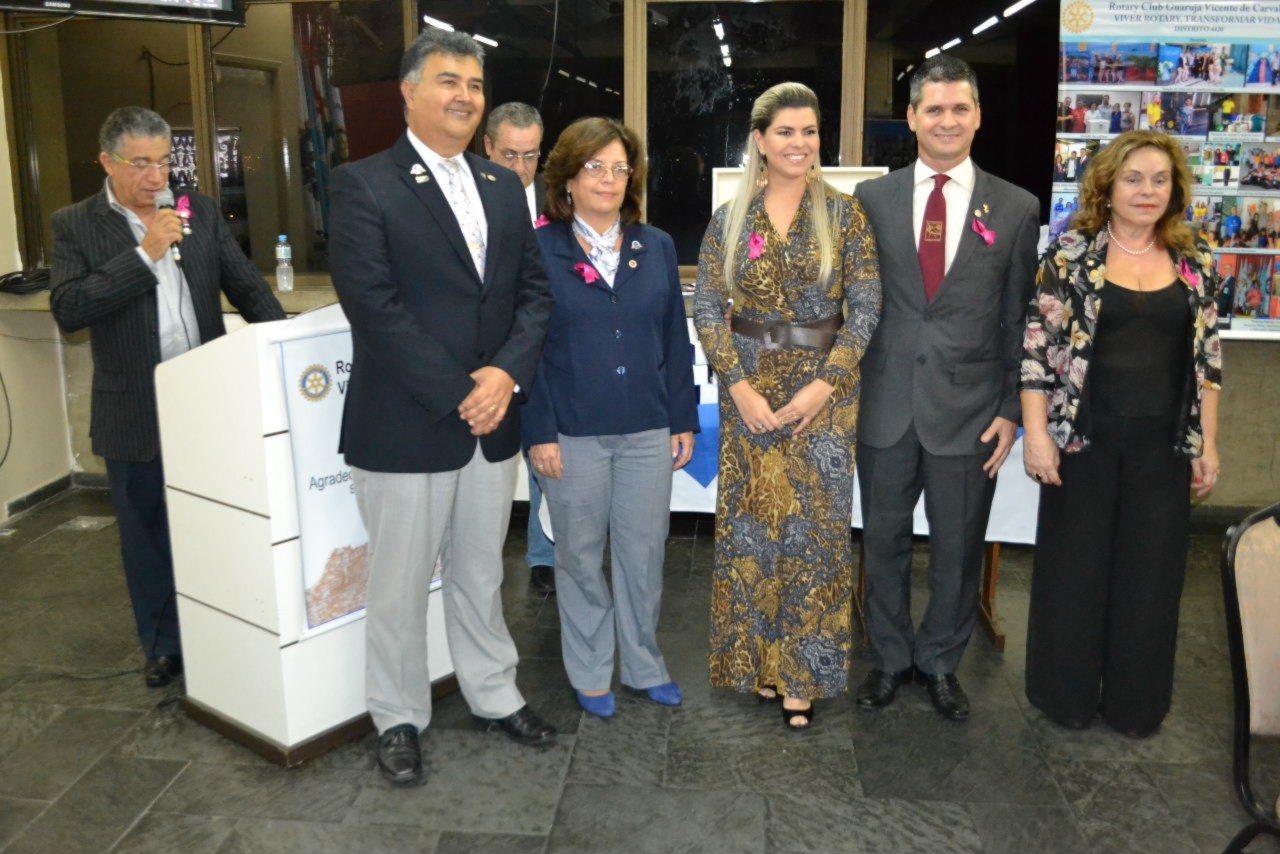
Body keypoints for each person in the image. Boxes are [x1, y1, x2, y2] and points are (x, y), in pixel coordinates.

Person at [328, 30, 555, 787]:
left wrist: (505, 376)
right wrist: (464, 392)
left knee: (481, 573)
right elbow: (375, 308)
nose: (464, 95)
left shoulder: (502, 186)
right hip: (407, 423)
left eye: (475, 84)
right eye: (448, 80)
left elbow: (533, 294)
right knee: (397, 586)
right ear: (408, 91)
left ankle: (493, 693)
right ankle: (396, 716)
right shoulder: (363, 185)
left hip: (492, 425)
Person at [49, 107, 285, 689]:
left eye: (163, 162)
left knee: (220, 522)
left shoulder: (195, 210)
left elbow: (245, 283)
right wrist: (144, 254)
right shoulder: (75, 224)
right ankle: (163, 644)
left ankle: (226, 625)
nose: (157, 178)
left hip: (207, 401)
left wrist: (283, 342)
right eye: (141, 164)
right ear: (107, 162)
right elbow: (70, 309)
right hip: (134, 407)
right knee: (148, 532)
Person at [853, 56, 1039, 722]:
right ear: (911, 118)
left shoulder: (1015, 208)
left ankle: (938, 663)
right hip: (884, 405)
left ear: (978, 116)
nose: (947, 121)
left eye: (960, 108)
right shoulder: (871, 200)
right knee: (883, 541)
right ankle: (889, 658)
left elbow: (1019, 318)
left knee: (958, 550)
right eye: (933, 109)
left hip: (971, 412)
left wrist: (1012, 408)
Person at [1020, 130, 1223, 737]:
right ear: (1107, 187)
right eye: (1133, 179)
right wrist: (1037, 435)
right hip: (1082, 442)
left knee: (1151, 581)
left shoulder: (1195, 259)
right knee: (1074, 574)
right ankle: (1066, 697)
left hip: (1163, 448)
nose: (1147, 191)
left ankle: (1137, 706)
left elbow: (1208, 362)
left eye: (1160, 180)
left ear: (1175, 190)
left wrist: (1209, 444)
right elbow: (1036, 353)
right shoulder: (1070, 256)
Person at [694, 81, 881, 731]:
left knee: (814, 540)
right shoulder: (730, 218)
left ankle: (804, 675)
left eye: (809, 131)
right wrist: (737, 385)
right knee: (752, 534)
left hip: (824, 396)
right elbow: (709, 307)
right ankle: (759, 665)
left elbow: (866, 308)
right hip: (748, 392)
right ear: (760, 140)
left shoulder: (845, 216)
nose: (799, 143)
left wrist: (824, 385)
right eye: (785, 132)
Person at [524, 117, 699, 719]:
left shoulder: (657, 246)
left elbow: (674, 338)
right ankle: (590, 669)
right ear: (568, 179)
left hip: (647, 426)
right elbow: (526, 347)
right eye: (594, 167)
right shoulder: (540, 248)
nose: (608, 179)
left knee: (644, 553)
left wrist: (682, 417)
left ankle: (645, 664)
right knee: (577, 555)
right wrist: (539, 432)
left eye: (620, 168)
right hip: (571, 431)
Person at [483, 101, 556, 594]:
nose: (521, 167)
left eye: (531, 156)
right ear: (488, 146)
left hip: (546, 346)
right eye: (510, 155)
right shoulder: (469, 196)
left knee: (545, 454)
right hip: (488, 353)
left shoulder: (558, 199)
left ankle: (544, 555)